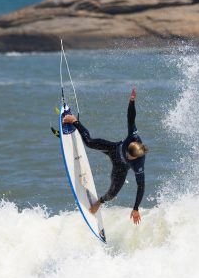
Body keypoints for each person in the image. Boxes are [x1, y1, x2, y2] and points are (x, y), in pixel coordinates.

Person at [62, 88, 148, 225]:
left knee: (112, 194)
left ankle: (99, 202)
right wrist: (132, 101)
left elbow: (141, 186)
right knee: (89, 142)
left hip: (121, 168)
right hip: (113, 149)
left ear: (135, 158)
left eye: (129, 156)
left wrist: (136, 208)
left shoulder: (139, 165)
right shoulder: (133, 136)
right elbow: (131, 117)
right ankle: (74, 121)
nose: (126, 155)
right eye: (127, 152)